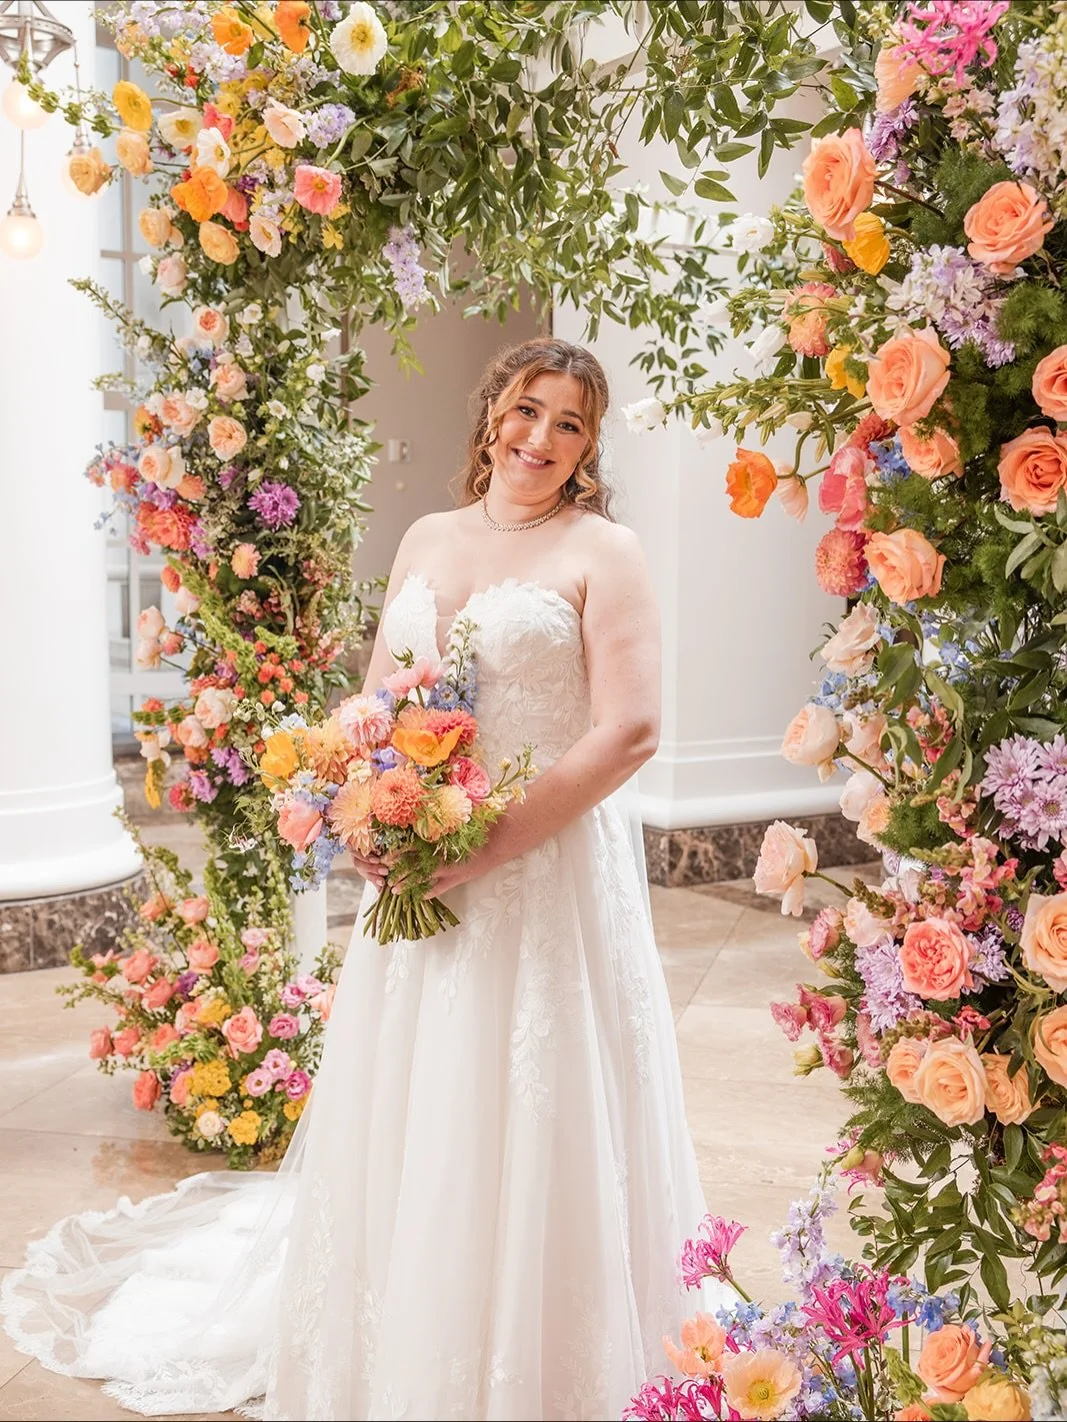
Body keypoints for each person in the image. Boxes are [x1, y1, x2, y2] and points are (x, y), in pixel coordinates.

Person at [1, 337, 708, 1420]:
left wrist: (487, 839)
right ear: (489, 415)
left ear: (587, 448)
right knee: (421, 1090)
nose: (540, 440)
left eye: (569, 425)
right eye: (526, 410)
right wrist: (366, 808)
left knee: (532, 1096)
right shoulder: (428, 537)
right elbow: (375, 702)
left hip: (544, 872)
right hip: (422, 858)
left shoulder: (600, 551)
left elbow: (630, 732)